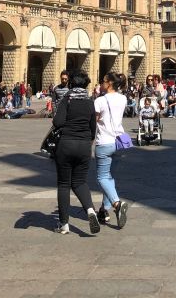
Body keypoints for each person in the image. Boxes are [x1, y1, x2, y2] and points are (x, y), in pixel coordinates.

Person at [51, 70, 100, 235]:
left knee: (64, 184)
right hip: (84, 146)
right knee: (80, 182)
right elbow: (94, 128)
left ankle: (64, 224)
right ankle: (91, 211)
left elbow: (57, 122)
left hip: (66, 144)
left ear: (71, 83)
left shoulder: (67, 99)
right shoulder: (89, 101)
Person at [94, 72, 130, 228]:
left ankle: (117, 204)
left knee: (102, 178)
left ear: (109, 83)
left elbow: (94, 120)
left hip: (104, 142)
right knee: (110, 178)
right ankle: (103, 210)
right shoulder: (123, 98)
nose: (101, 83)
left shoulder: (100, 100)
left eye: (103, 81)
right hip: (119, 142)